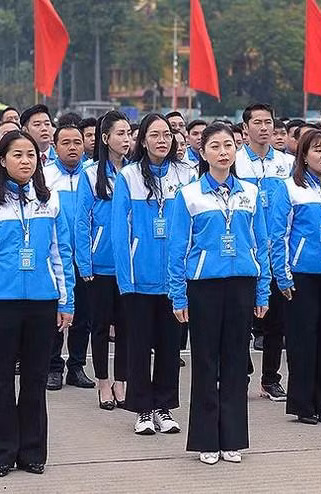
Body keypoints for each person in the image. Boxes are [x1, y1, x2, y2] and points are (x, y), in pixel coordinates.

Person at [0, 130, 74, 477]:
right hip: (2, 303)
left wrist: (65, 300)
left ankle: (32, 452)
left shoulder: (50, 200)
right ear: (2, 160)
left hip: (43, 302)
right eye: (17, 155)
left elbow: (60, 253)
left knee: (34, 379)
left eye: (30, 155)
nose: (25, 161)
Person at [168, 122, 271, 465]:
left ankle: (233, 439)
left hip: (242, 285)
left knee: (235, 362)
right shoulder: (189, 195)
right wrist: (178, 295)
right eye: (215, 146)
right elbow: (177, 248)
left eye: (229, 145)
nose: (223, 152)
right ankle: (206, 440)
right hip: (204, 287)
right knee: (206, 362)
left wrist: (262, 291)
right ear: (203, 152)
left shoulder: (250, 194)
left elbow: (262, 244)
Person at [112, 113, 194, 435]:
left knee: (170, 346)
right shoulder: (129, 176)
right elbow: (120, 231)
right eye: (155, 134)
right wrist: (125, 278)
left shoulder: (185, 175)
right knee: (139, 345)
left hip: (175, 279)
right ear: (142, 140)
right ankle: (142, 409)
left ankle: (163, 406)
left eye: (167, 134)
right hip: (139, 277)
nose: (162, 140)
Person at [269, 129, 321, 425]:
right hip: (301, 276)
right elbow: (278, 235)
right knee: (303, 341)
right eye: (317, 150)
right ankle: (303, 405)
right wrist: (283, 276)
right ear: (303, 155)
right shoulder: (289, 188)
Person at [235, 103, 292, 402]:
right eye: (257, 122)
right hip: (245, 251)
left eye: (268, 122)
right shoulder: (234, 163)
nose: (264, 127)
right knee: (242, 320)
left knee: (276, 322)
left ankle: (270, 378)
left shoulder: (287, 164)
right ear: (245, 129)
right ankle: (240, 374)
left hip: (277, 252)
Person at [75, 111, 131, 410]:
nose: (126, 139)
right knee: (99, 326)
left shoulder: (136, 172)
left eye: (129, 133)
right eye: (120, 134)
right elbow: (82, 221)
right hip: (100, 264)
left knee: (125, 325)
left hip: (128, 266)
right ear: (105, 138)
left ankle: (122, 381)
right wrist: (84, 262)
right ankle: (103, 382)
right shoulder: (89, 173)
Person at [44, 125, 94, 391]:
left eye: (77, 141)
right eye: (66, 142)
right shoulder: (46, 175)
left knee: (83, 316)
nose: (73, 147)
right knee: (56, 313)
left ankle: (77, 365)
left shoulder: (92, 174)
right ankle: (53, 366)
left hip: (85, 255)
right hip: (55, 257)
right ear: (55, 146)